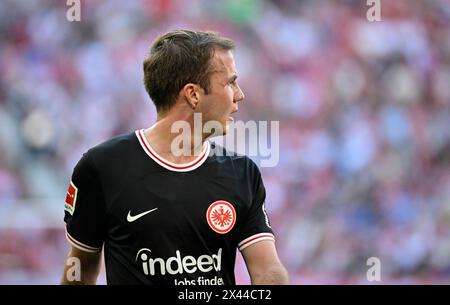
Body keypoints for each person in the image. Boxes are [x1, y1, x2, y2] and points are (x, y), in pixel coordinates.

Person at [60, 29, 289, 285]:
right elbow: (81, 268)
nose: (239, 94)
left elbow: (268, 271)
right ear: (193, 94)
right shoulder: (102, 168)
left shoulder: (242, 173)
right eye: (230, 83)